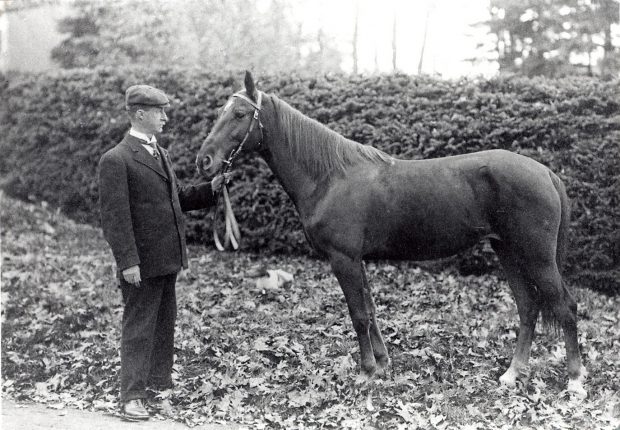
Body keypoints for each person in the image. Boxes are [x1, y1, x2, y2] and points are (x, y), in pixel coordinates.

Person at [98, 84, 227, 421]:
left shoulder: (161, 153)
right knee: (139, 328)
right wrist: (128, 261)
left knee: (164, 326)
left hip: (167, 259)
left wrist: (209, 191)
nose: (166, 118)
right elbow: (115, 218)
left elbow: (177, 198)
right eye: (160, 112)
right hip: (140, 263)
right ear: (139, 113)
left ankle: (157, 390)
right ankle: (132, 398)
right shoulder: (116, 159)